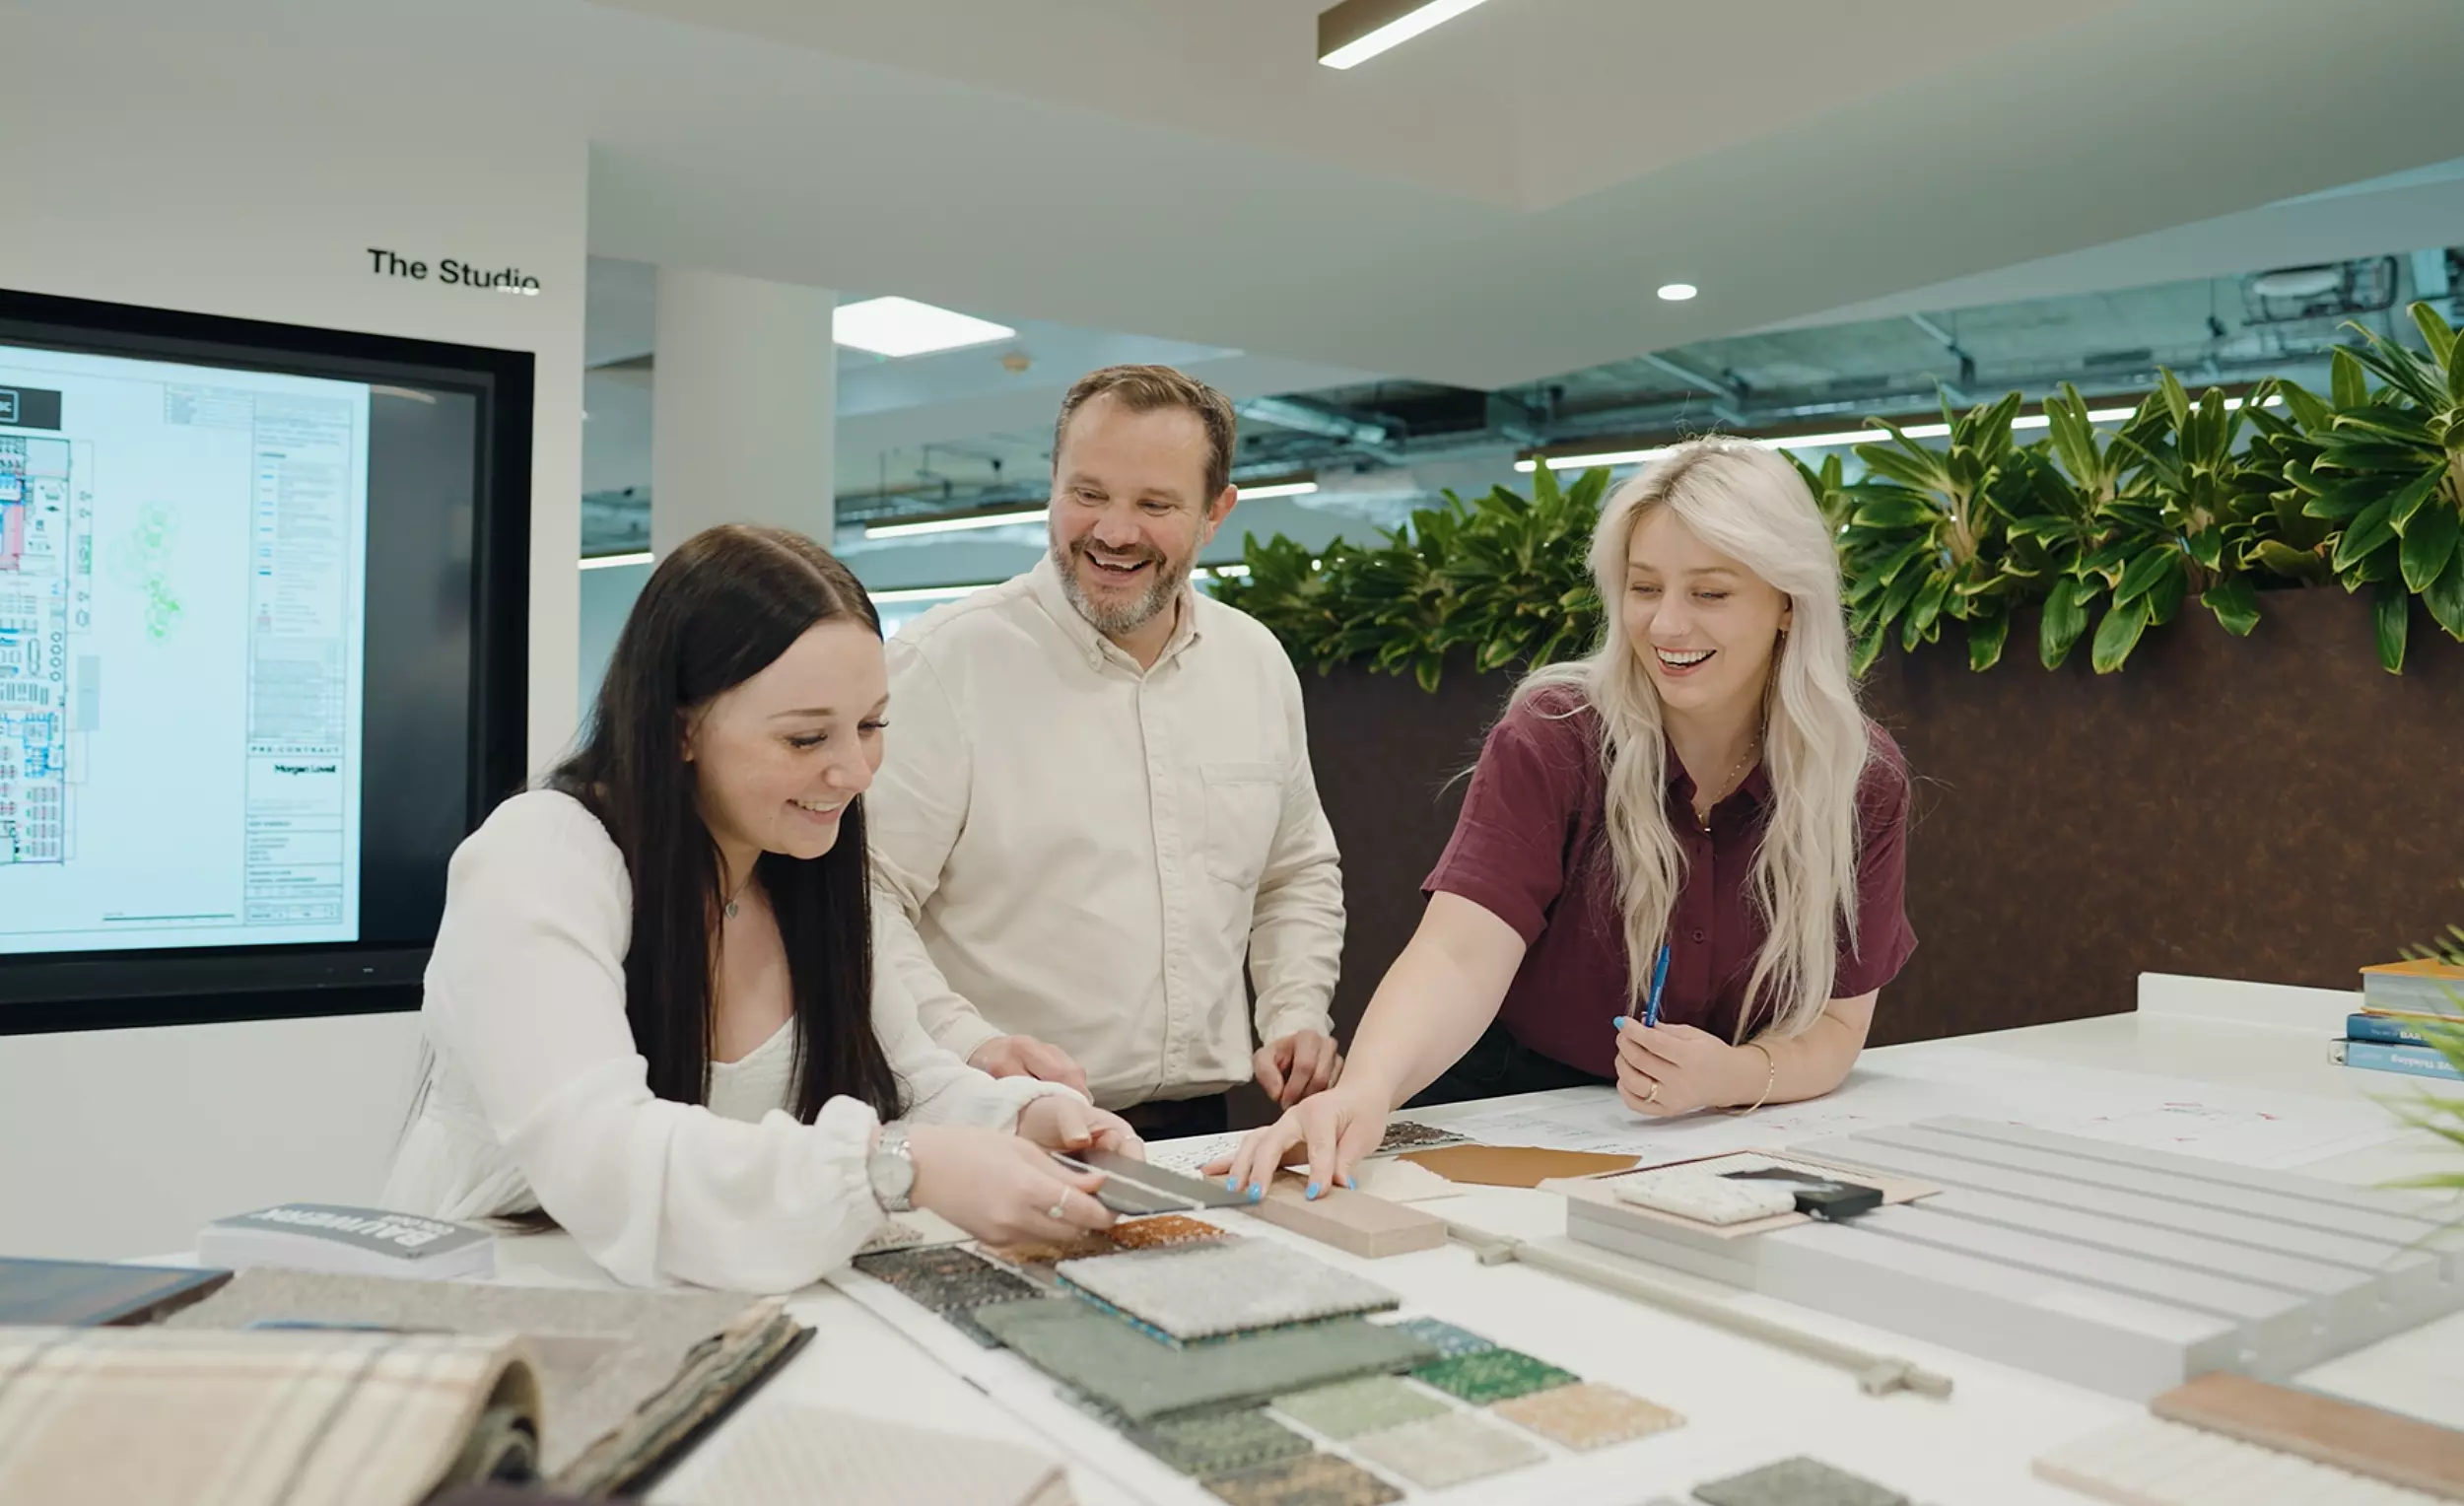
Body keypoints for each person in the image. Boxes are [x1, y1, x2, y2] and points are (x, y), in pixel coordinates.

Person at [384, 525, 1140, 1291]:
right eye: (807, 738)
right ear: (681, 728)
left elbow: (908, 1081)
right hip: (497, 1313)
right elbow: (606, 1156)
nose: (853, 771)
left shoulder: (803, 866)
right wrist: (895, 1171)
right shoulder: (541, 859)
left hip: (701, 1314)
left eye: (872, 725)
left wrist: (1028, 1120)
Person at [1219, 438, 1914, 1197]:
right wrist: (1366, 1088)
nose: (1667, 626)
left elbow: (1839, 1029)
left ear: (1787, 602)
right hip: (1514, 1111)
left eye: (1710, 593)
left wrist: (1734, 1074)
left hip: (1721, 1136)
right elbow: (1458, 955)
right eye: (1644, 588)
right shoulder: (1557, 735)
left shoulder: (1860, 778)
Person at [865, 365, 1347, 1141]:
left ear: (1216, 513)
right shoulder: (944, 666)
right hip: (992, 1120)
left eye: (1155, 504)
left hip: (1200, 1129)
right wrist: (969, 1044)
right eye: (1087, 494)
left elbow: (1294, 872)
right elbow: (863, 896)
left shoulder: (1254, 663)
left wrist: (1296, 1009)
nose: (1114, 532)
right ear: (1052, 483)